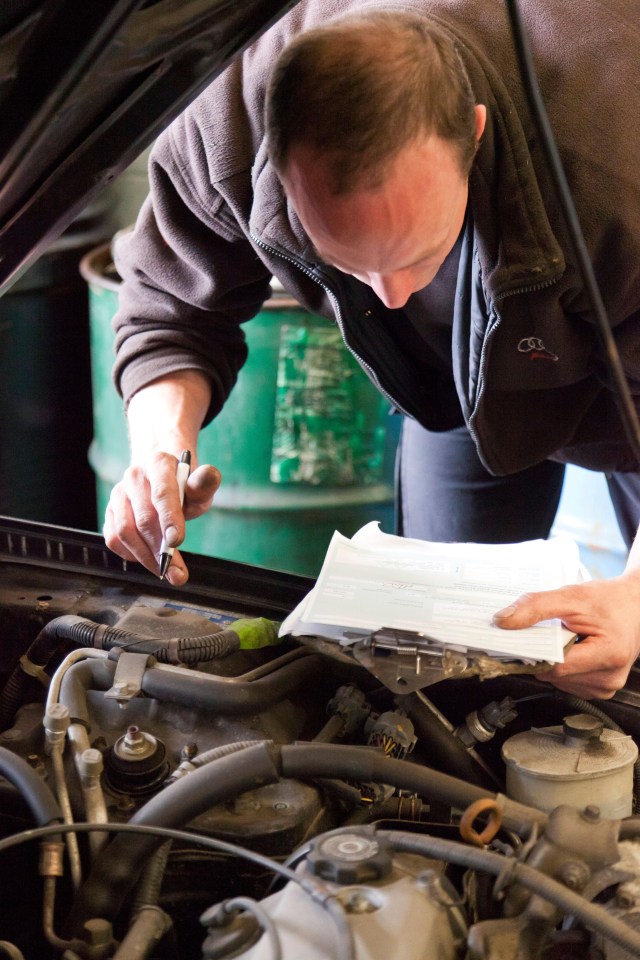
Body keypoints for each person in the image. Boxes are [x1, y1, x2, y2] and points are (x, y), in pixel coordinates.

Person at [104, 0, 640, 701]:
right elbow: (171, 304)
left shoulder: (614, 170)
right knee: (444, 670)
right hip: (456, 389)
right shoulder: (228, 124)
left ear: (472, 135)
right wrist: (159, 451)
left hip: (621, 383)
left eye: (416, 256)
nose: (389, 298)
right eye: (350, 263)